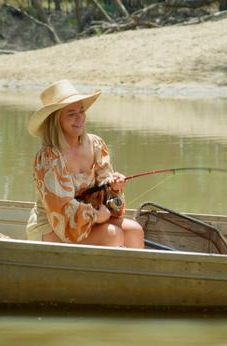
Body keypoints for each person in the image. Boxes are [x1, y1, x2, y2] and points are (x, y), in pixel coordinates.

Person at [26, 79, 144, 249]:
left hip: (88, 219)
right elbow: (61, 211)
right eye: (71, 113)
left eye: (81, 110)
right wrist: (95, 216)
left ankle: (136, 276)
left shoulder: (96, 145)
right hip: (53, 226)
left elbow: (108, 200)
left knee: (135, 230)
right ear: (55, 120)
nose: (79, 117)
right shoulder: (48, 158)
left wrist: (115, 188)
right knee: (112, 235)